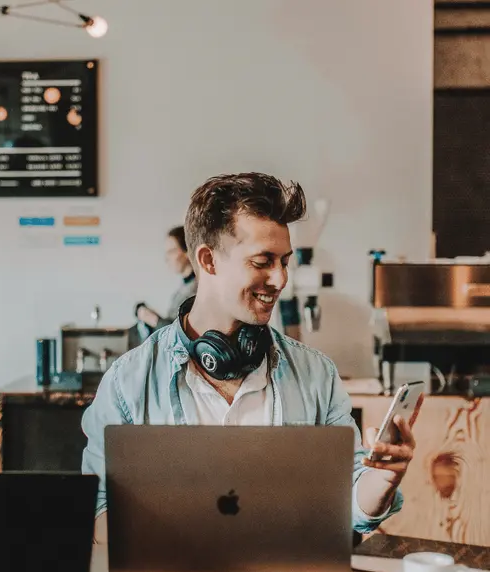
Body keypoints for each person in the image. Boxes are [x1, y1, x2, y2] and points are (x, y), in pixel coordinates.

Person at [82, 172, 414, 544]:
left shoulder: (316, 374)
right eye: (262, 261)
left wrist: (382, 479)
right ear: (208, 260)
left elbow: (351, 505)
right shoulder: (127, 383)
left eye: (284, 261)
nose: (279, 279)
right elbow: (97, 512)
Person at [135, 226, 198, 334]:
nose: (167, 258)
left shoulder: (197, 289)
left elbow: (180, 334)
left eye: (171, 251)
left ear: (187, 251)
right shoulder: (185, 287)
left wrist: (153, 319)